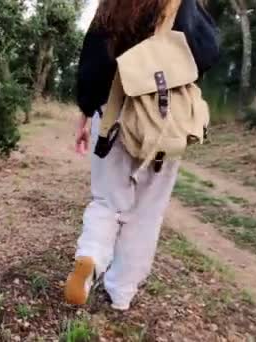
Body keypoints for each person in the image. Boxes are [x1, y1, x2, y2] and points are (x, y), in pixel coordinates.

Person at [65, 0, 220, 311]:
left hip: (114, 113)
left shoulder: (114, 5)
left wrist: (85, 112)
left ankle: (92, 257)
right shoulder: (183, 3)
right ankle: (120, 295)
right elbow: (209, 50)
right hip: (166, 120)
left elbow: (92, 67)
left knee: (108, 201)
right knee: (147, 213)